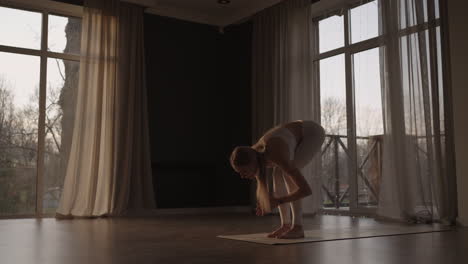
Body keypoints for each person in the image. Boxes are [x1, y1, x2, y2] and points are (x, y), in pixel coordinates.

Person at [230, 120, 325, 239]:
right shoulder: (256, 154)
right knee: (278, 173)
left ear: (253, 163)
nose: (242, 176)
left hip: (312, 132)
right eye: (239, 173)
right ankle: (285, 225)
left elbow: (305, 190)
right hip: (297, 133)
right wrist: (267, 203)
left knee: (285, 174)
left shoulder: (275, 152)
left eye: (244, 171)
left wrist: (278, 201)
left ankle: (298, 227)